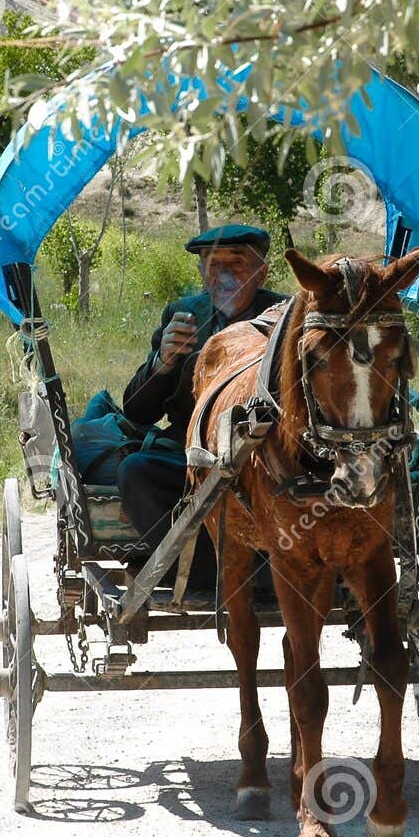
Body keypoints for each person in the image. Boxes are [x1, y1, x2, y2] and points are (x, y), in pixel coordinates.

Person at [117, 224, 287, 591]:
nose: (224, 274)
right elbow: (136, 411)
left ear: (262, 272)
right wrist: (162, 363)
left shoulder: (284, 317)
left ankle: (288, 564)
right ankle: (210, 576)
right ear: (201, 274)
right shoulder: (184, 315)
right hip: (195, 459)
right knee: (137, 471)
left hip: (269, 461)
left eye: (237, 263)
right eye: (213, 265)